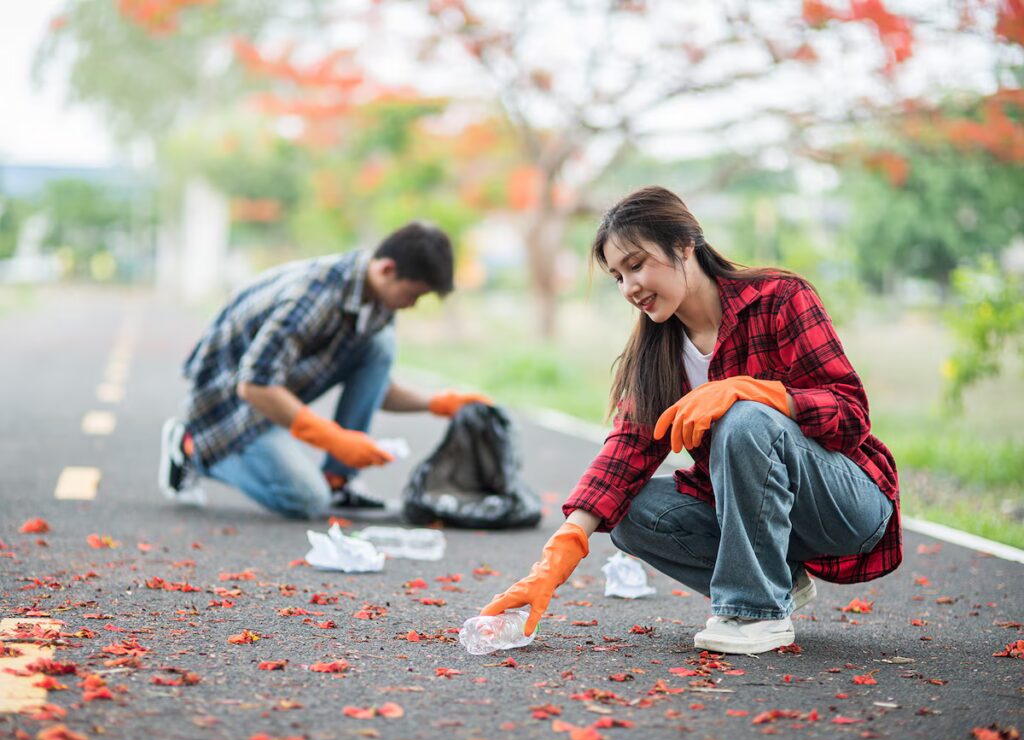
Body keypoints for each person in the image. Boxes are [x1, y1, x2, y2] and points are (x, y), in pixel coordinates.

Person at [482, 187, 900, 655]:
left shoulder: (779, 297)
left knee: (743, 419)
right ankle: (778, 581)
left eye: (636, 264)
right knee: (627, 512)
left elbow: (851, 413)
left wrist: (753, 391)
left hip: (844, 502)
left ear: (684, 245)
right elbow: (625, 454)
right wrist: (558, 555)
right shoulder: (657, 351)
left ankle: (756, 611)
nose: (629, 288)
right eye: (617, 276)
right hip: (762, 517)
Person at [159, 221, 490, 519]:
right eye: (413, 295)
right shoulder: (315, 296)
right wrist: (335, 439)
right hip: (228, 408)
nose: (413, 305)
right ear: (388, 269)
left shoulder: (374, 297)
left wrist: (436, 404)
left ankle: (337, 481)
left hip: (274, 388)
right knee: (305, 501)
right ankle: (191, 448)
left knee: (380, 345)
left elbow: (375, 387)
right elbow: (253, 386)